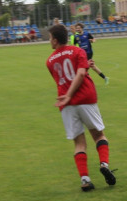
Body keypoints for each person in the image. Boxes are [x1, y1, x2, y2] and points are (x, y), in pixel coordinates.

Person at [45, 23, 116, 192]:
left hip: (66, 103)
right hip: (85, 97)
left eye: (49, 38)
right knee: (98, 135)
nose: (49, 41)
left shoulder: (49, 61)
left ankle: (85, 180)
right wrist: (71, 93)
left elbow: (61, 78)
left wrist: (68, 95)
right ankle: (104, 164)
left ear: (55, 41)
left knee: (79, 143)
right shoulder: (78, 52)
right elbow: (81, 73)